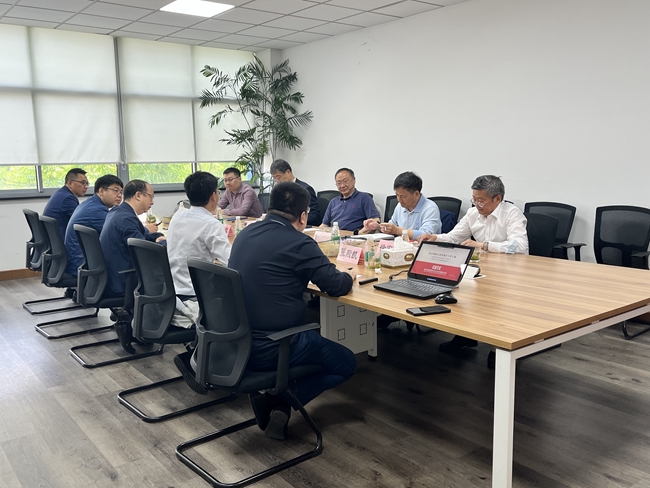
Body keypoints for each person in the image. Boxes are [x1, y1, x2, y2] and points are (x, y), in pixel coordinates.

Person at [228, 181, 356, 440]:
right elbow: (336, 286)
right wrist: (349, 276)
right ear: (303, 216)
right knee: (346, 363)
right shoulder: (299, 243)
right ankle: (281, 400)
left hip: (233, 342)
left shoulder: (245, 234)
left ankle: (278, 401)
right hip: (275, 346)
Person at [418, 175, 528, 364]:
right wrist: (435, 238)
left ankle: (499, 349)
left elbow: (518, 246)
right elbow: (454, 237)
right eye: (474, 199)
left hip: (511, 272)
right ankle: (465, 335)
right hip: (484, 268)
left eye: (481, 200)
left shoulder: (512, 213)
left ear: (498, 198)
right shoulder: (472, 213)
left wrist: (484, 245)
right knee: (462, 291)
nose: (477, 204)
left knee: (498, 305)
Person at [100, 179, 165, 353]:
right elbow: (144, 252)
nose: (152, 202)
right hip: (124, 279)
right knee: (171, 273)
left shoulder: (119, 212)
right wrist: (165, 245)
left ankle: (140, 324)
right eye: (150, 196)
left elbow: (141, 236)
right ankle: (149, 329)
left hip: (113, 273)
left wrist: (157, 237)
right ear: (138, 195)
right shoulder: (126, 218)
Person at [63, 175, 123, 276]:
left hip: (78, 260)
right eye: (115, 191)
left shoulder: (90, 203)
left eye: (121, 192)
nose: (120, 195)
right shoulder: (97, 211)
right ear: (101, 191)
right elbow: (118, 234)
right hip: (82, 264)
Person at [359, 171, 441, 239]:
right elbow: (391, 226)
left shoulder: (430, 208)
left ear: (416, 194)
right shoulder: (400, 206)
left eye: (403, 196)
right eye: (397, 195)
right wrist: (377, 226)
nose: (399, 199)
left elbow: (426, 235)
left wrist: (397, 230)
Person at [320, 168, 380, 232]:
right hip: (334, 235)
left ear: (354, 180)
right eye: (339, 183)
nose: (342, 185)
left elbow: (375, 221)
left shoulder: (364, 198)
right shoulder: (333, 202)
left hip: (354, 236)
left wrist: (358, 234)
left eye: (345, 181)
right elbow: (324, 224)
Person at [269, 159, 320, 226]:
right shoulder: (279, 191)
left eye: (278, 177)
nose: (277, 181)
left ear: (288, 172)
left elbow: (315, 216)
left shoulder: (305, 189)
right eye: (274, 178)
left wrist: (293, 220)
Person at [43, 168, 89, 239]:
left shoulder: (60, 193)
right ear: (70, 183)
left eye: (87, 183)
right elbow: (81, 222)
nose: (86, 187)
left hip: (51, 239)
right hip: (60, 240)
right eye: (83, 183)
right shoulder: (68, 199)